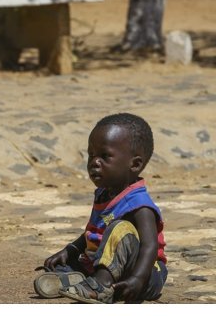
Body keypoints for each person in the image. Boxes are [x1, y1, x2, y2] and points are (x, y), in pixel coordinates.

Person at [33, 113, 167, 304]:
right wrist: (69, 250)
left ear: (135, 164)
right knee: (67, 263)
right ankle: (77, 280)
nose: (94, 162)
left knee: (120, 228)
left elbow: (150, 246)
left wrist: (138, 278)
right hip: (105, 263)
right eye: (91, 155)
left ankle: (101, 286)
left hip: (145, 274)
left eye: (105, 156)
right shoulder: (104, 194)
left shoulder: (139, 204)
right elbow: (92, 232)